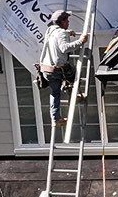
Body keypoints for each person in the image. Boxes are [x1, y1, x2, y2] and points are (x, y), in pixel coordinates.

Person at [34, 10, 83, 140]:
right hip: (57, 70)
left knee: (54, 93)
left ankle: (56, 118)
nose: (68, 22)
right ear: (61, 22)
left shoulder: (50, 30)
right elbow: (64, 48)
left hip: (46, 70)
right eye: (66, 20)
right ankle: (74, 94)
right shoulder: (61, 32)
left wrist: (68, 32)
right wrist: (80, 41)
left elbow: (58, 35)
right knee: (73, 75)